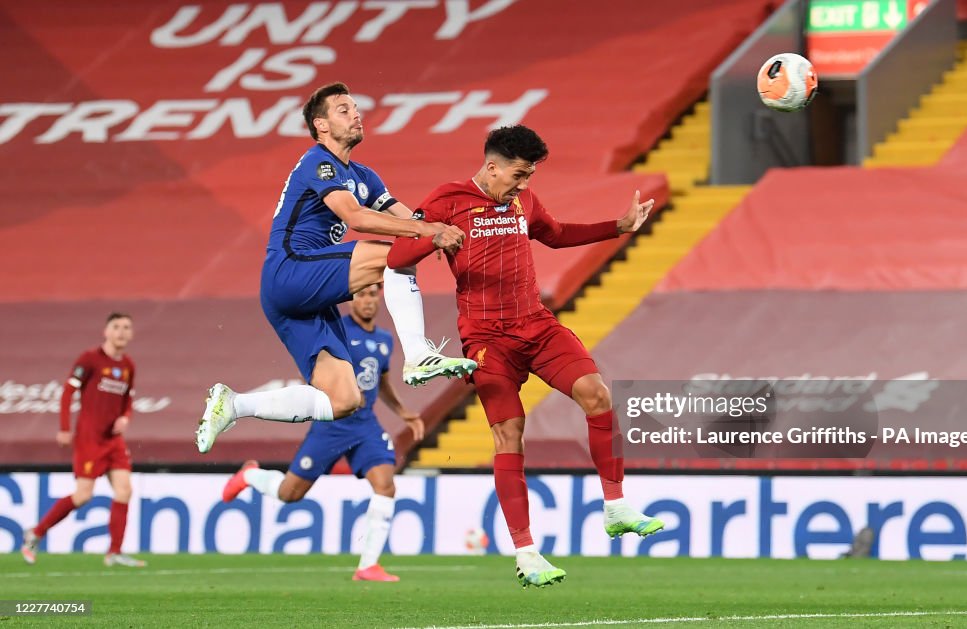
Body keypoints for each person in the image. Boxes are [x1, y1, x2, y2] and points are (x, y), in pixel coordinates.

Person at [388, 125, 664, 587]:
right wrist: (432, 238)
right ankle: (527, 551)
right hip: (486, 337)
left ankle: (615, 506)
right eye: (518, 175)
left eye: (529, 176)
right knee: (509, 432)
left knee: (597, 395)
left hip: (536, 324)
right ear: (492, 167)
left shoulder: (523, 202)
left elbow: (553, 234)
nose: (524, 185)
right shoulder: (447, 200)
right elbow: (398, 256)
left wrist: (616, 227)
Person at [195, 82, 475, 454]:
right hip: (289, 272)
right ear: (321, 125)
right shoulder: (318, 161)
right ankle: (417, 353)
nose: (356, 114)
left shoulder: (364, 176)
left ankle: (233, 404)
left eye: (356, 107)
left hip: (302, 297)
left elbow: (409, 218)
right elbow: (355, 217)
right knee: (394, 257)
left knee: (344, 400)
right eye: (344, 109)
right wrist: (427, 233)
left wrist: (452, 231)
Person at [221, 284, 420, 581]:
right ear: (352, 300)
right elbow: (313, 370)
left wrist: (404, 412)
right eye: (361, 295)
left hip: (365, 425)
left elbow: (383, 381)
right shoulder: (336, 330)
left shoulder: (384, 340)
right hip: (331, 424)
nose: (367, 301)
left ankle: (368, 566)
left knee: (386, 485)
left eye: (372, 295)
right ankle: (249, 475)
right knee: (290, 494)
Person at [22, 312, 146, 568]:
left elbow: (128, 400)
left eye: (126, 327)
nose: (122, 332)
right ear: (106, 331)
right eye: (116, 327)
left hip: (114, 441)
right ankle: (36, 533)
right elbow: (68, 392)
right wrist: (65, 428)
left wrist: (125, 418)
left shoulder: (128, 366)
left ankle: (114, 552)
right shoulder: (90, 359)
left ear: (131, 333)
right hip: (90, 438)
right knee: (82, 496)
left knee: (125, 490)